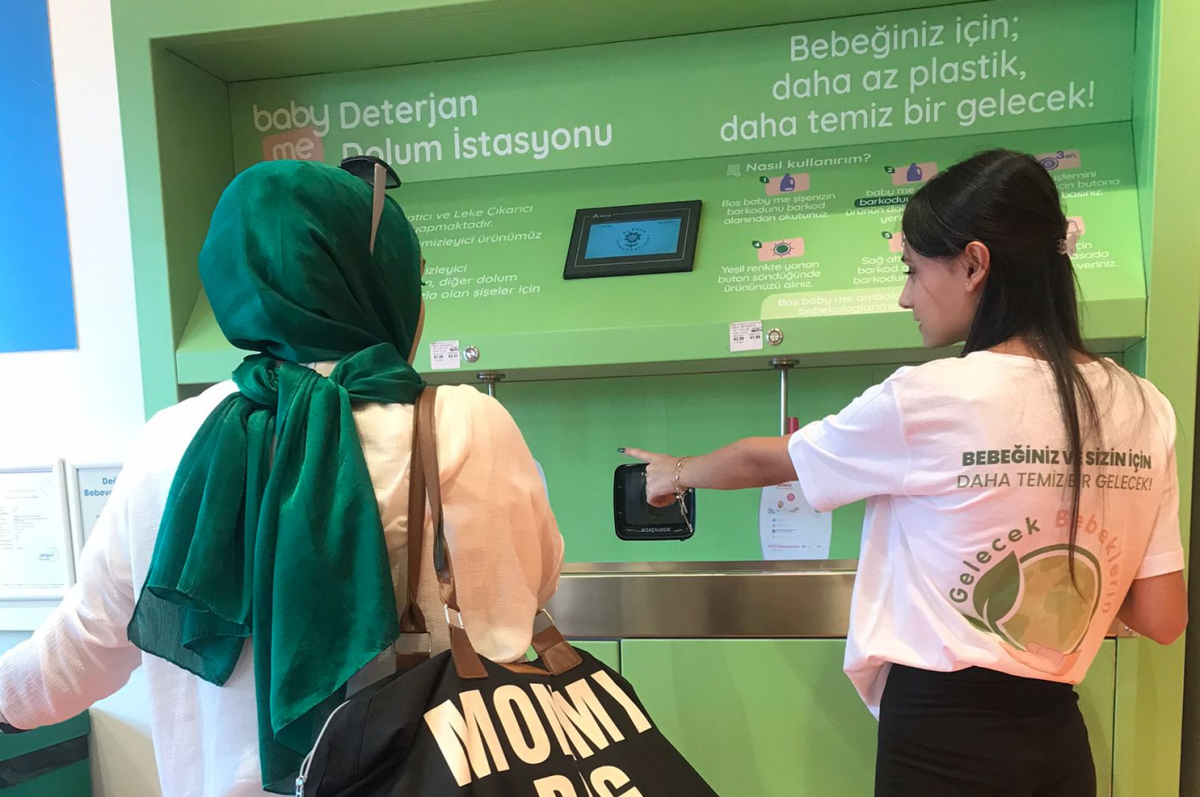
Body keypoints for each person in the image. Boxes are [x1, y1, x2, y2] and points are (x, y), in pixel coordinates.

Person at [624, 149, 1187, 797]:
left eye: (913, 271)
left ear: (973, 264)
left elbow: (766, 459)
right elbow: (1163, 615)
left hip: (943, 738)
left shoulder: (931, 396)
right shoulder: (1144, 405)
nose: (905, 295)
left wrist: (676, 472)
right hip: (1058, 740)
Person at [0, 159, 564, 796]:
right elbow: (525, 593)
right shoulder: (464, 424)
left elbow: (87, 645)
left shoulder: (172, 440)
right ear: (377, 283)